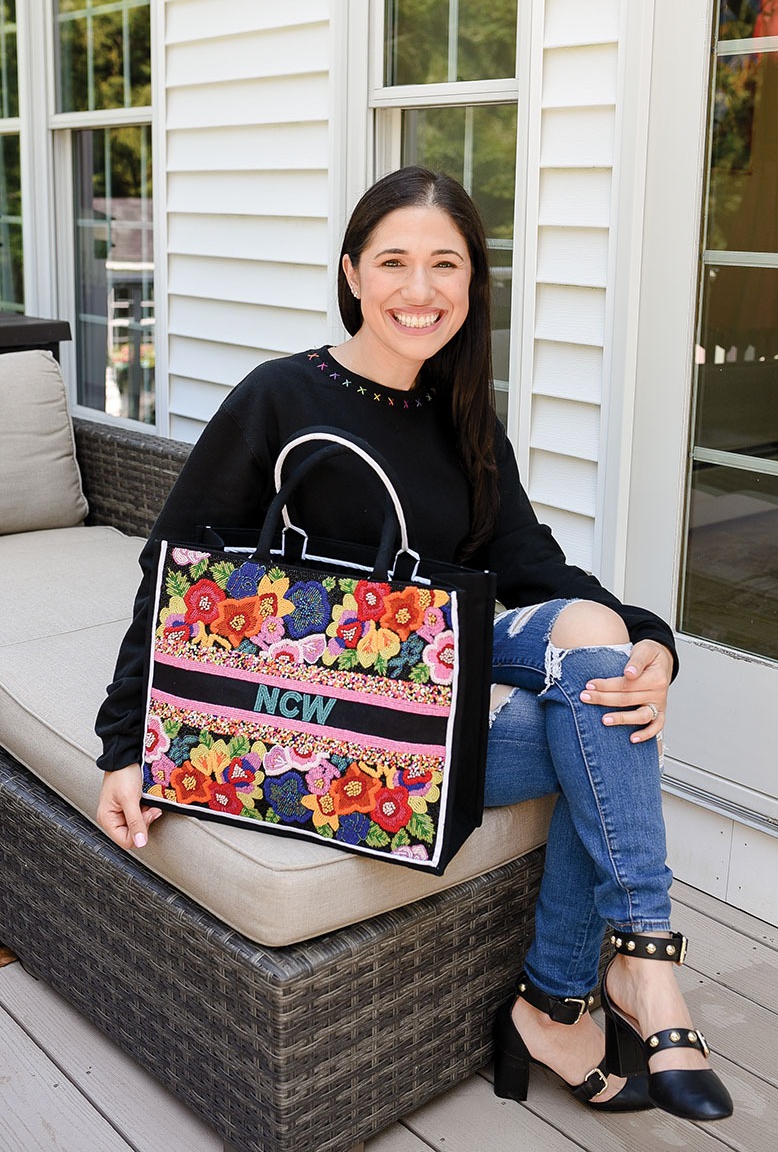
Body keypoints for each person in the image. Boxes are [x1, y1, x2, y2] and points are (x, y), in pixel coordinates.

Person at [95, 166, 733, 1122]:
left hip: (415, 716)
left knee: (600, 654)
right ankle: (574, 992)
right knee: (591, 728)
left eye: (447, 265)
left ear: (473, 286)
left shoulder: (461, 415)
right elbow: (173, 568)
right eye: (394, 262)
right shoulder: (280, 398)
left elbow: (529, 563)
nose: (420, 290)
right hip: (306, 723)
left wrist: (653, 640)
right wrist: (124, 743)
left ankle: (611, 972)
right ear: (352, 272)